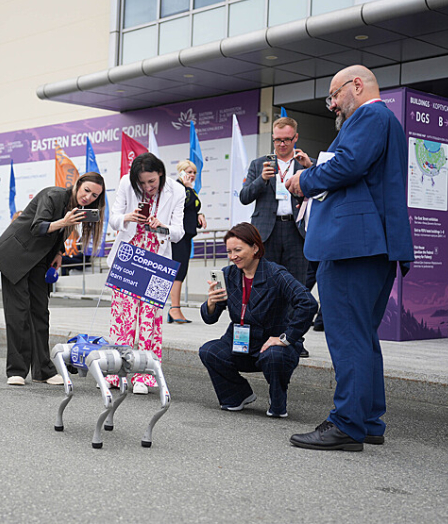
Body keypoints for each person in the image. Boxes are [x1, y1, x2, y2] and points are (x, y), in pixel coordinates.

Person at [285, 65, 414, 451]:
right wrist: (319, 170)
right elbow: (360, 172)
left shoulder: (370, 114)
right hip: (371, 245)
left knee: (347, 336)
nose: (333, 105)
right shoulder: (384, 120)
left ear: (356, 86)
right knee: (362, 335)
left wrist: (303, 182)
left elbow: (349, 164)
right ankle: (369, 420)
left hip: (352, 245)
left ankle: (347, 424)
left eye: (335, 95)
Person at [0, 172, 106, 386]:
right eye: (86, 190)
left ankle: (43, 370)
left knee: (40, 312)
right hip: (15, 255)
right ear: (78, 185)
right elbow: (38, 226)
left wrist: (59, 252)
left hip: (40, 260)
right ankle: (16, 370)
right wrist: (64, 221)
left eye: (95, 195)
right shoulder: (53, 195)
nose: (89, 197)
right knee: (19, 313)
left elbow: (59, 234)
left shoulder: (76, 207)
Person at [198, 223, 317, 418]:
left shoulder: (276, 274)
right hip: (240, 343)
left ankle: (277, 399)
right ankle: (238, 395)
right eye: (229, 251)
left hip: (272, 345)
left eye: (238, 250)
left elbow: (308, 303)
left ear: (255, 248)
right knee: (209, 351)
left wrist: (286, 338)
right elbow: (210, 318)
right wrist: (211, 302)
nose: (233, 256)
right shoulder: (228, 275)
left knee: (275, 355)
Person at [107, 152, 185, 394]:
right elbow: (113, 218)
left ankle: (145, 376)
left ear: (160, 173)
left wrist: (161, 227)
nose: (147, 187)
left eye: (151, 181)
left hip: (158, 259)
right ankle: (117, 373)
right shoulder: (124, 183)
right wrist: (128, 218)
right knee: (123, 319)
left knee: (151, 319)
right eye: (142, 182)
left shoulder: (177, 190)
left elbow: (179, 232)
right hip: (129, 256)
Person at [240, 117, 313, 357]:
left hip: (295, 230)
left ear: (295, 139)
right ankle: (260, 338)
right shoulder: (259, 163)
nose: (281, 144)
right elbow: (244, 196)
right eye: (277, 140)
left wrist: (311, 169)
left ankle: (294, 339)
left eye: (286, 140)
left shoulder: (304, 163)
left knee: (297, 287)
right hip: (266, 233)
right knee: (264, 287)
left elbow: (321, 193)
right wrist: (262, 180)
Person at [168, 160, 207, 324]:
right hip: (177, 235)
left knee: (181, 270)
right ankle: (174, 308)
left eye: (193, 173)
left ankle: (175, 308)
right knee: (177, 271)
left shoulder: (189, 189)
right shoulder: (178, 188)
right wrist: (188, 188)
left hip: (187, 234)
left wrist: (200, 215)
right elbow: (182, 204)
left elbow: (192, 208)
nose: (191, 175)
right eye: (188, 171)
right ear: (181, 172)